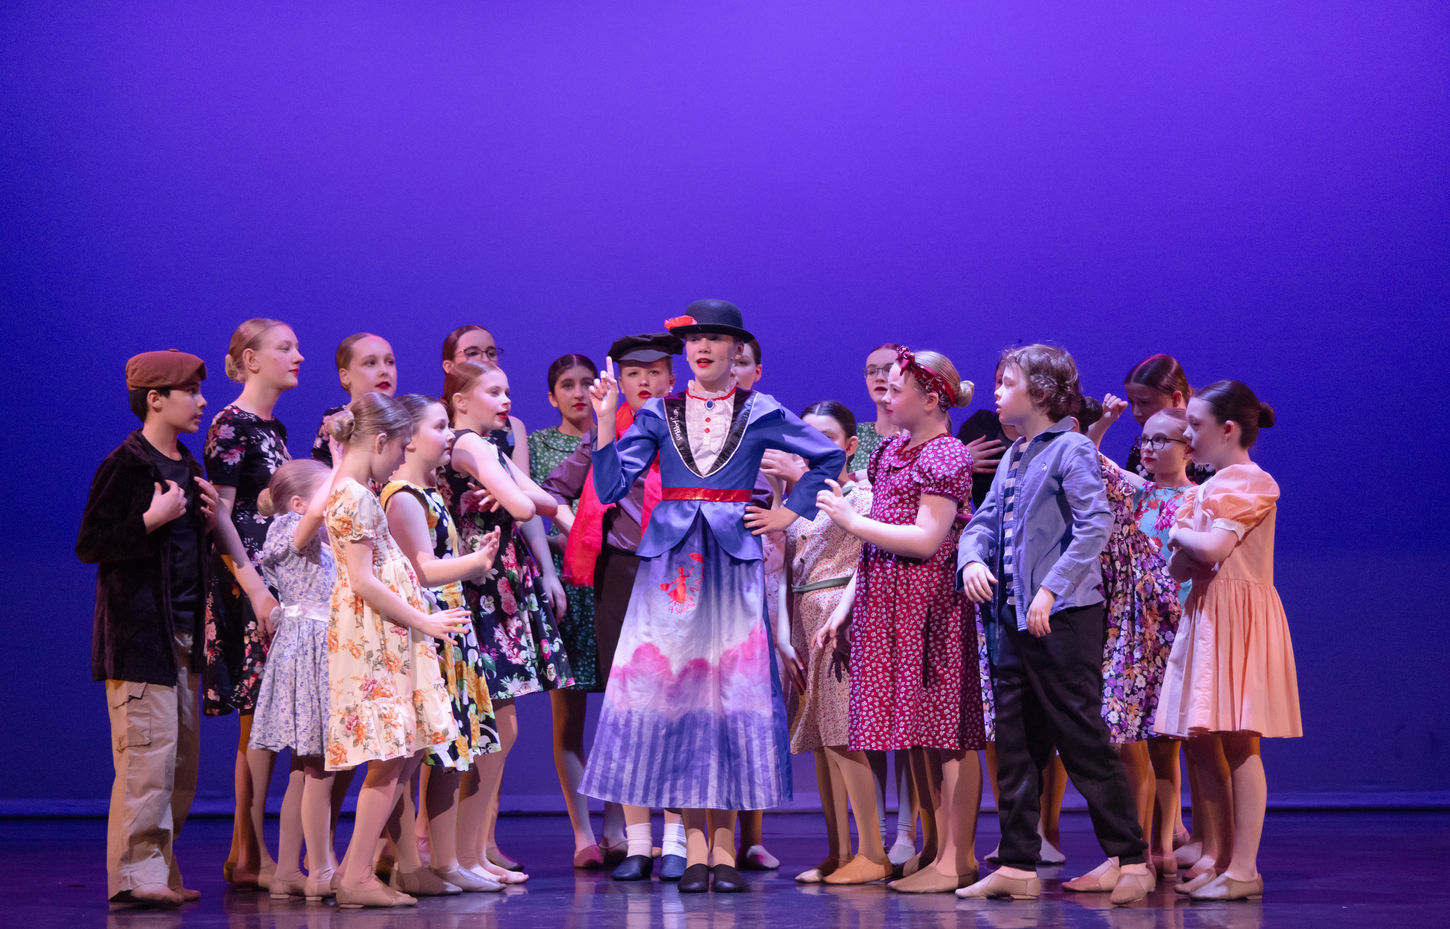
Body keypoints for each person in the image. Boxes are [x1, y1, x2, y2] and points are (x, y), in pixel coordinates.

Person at [582, 299, 846, 894]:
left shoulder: (761, 410)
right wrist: (604, 421)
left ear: (735, 350)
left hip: (730, 564)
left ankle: (722, 852)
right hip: (671, 567)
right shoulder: (659, 410)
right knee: (672, 695)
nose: (702, 347)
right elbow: (610, 485)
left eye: (714, 339)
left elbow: (829, 456)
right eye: (694, 339)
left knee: (730, 697)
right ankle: (692, 851)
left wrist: (788, 514)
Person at [957, 344, 1153, 905]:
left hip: (1062, 617)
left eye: (1007, 382)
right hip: (1012, 618)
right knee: (1017, 743)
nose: (996, 392)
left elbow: (1094, 525)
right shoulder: (1016, 454)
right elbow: (983, 522)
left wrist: (1050, 588)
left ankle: (1131, 858)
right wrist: (971, 561)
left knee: (1081, 737)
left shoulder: (1071, 448)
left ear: (1041, 392)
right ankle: (1018, 862)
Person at [79, 350, 272, 907]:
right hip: (141, 641)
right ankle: (134, 874)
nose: (202, 401)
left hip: (184, 639)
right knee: (147, 759)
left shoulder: (188, 467)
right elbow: (91, 543)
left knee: (179, 765)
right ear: (155, 399)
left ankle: (159, 867)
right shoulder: (127, 466)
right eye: (190, 392)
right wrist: (150, 519)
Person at [814, 346, 984, 894]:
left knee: (947, 731)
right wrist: (847, 606)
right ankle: (934, 849)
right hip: (888, 602)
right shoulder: (891, 451)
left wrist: (850, 520)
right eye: (883, 385)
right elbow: (881, 538)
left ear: (931, 399)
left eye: (896, 387)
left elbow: (927, 539)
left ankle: (958, 858)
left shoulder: (945, 455)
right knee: (917, 732)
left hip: (929, 605)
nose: (885, 395)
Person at [543, 332, 686, 880]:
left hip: (677, 571)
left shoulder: (692, 428)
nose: (644, 381)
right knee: (627, 707)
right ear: (619, 381)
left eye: (654, 371)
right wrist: (584, 531)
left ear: (671, 378)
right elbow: (553, 490)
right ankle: (637, 841)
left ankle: (677, 840)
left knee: (675, 705)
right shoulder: (607, 433)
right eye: (632, 373)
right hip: (620, 574)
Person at [323, 392, 471, 908]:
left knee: (405, 753)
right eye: (400, 447)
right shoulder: (355, 496)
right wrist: (424, 619)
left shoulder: (355, 491)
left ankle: (353, 870)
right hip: (374, 638)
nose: (400, 459)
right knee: (389, 758)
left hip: (389, 634)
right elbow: (362, 580)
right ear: (380, 440)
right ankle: (357, 876)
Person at [1156, 380, 1299, 901]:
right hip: (1208, 614)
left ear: (1229, 429)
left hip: (1239, 616)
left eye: (1196, 426)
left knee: (1241, 743)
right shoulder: (1208, 488)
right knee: (1206, 740)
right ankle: (1221, 859)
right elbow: (1180, 568)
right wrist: (1186, 540)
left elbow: (1213, 549)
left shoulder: (1252, 482)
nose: (1189, 437)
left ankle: (1244, 869)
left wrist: (1180, 534)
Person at [441, 358, 569, 879]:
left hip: (499, 587)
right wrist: (518, 496)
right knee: (488, 727)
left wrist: (522, 496)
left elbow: (545, 500)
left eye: (507, 391)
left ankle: (472, 854)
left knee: (500, 728)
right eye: (493, 392)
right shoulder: (466, 444)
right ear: (460, 400)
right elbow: (526, 505)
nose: (506, 400)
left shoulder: (487, 446)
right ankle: (461, 856)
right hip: (476, 589)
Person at [382, 393, 504, 894]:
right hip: (429, 629)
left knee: (455, 754)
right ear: (409, 438)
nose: (449, 434)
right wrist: (476, 563)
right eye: (438, 426)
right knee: (427, 754)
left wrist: (472, 558)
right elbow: (422, 570)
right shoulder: (403, 496)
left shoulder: (428, 493)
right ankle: (418, 863)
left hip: (450, 626)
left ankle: (450, 861)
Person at [204, 317, 303, 889]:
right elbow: (218, 515)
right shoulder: (230, 425)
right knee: (257, 716)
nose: (298, 357)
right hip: (250, 583)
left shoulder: (272, 427)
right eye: (285, 347)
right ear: (250, 359)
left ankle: (247, 850)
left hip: (276, 578)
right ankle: (249, 852)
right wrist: (256, 589)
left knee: (268, 717)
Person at [775, 401, 887, 885]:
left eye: (825, 439)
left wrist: (845, 615)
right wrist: (785, 637)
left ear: (850, 446)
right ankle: (838, 852)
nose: (812, 449)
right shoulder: (796, 505)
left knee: (843, 734)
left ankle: (873, 851)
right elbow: (784, 571)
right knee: (820, 740)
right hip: (805, 623)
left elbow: (869, 560)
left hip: (840, 621)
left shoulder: (861, 497)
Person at [528, 353, 615, 866]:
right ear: (552, 395)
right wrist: (569, 541)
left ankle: (621, 829)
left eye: (587, 383)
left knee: (623, 712)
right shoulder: (540, 445)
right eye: (567, 384)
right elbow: (531, 512)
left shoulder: (617, 436)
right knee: (569, 716)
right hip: (567, 586)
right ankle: (583, 834)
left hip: (614, 580)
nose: (579, 393)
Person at [247, 459, 343, 901]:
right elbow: (311, 523)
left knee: (305, 772)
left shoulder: (324, 540)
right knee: (318, 766)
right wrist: (341, 465)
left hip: (322, 649)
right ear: (300, 503)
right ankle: (322, 868)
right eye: (330, 491)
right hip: (307, 652)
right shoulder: (287, 529)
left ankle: (288, 870)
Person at [312, 333, 398, 467]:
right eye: (371, 363)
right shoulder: (335, 420)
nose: (384, 371)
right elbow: (321, 472)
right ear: (345, 376)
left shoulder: (407, 420)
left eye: (390, 362)